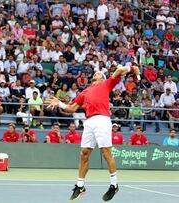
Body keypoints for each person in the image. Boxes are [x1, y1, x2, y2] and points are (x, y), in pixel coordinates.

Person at [46, 64, 140, 201]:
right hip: (89, 122)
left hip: (102, 119)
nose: (96, 73)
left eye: (99, 73)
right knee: (84, 153)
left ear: (103, 78)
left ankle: (114, 185)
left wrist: (132, 68)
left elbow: (119, 70)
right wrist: (59, 103)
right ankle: (80, 186)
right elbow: (71, 108)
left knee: (106, 152)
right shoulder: (85, 92)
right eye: (95, 73)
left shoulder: (107, 83)